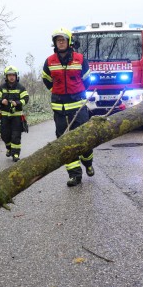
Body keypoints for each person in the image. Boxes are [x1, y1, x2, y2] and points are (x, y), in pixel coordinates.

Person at [42, 27, 94, 187]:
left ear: (69, 41)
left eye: (63, 40)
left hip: (78, 107)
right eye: (58, 40)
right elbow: (46, 79)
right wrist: (56, 91)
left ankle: (88, 162)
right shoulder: (49, 61)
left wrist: (77, 92)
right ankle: (74, 175)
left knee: (84, 139)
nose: (61, 42)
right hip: (59, 109)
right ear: (55, 43)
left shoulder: (80, 59)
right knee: (64, 142)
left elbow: (87, 80)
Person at [0, 65, 29, 162]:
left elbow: (26, 99)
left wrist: (17, 103)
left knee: (16, 135)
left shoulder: (21, 88)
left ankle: (16, 154)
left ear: (16, 76)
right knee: (5, 135)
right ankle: (9, 148)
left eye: (13, 75)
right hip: (5, 116)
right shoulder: (1, 88)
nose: (11, 77)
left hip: (17, 116)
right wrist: (1, 101)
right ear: (6, 76)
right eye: (9, 75)